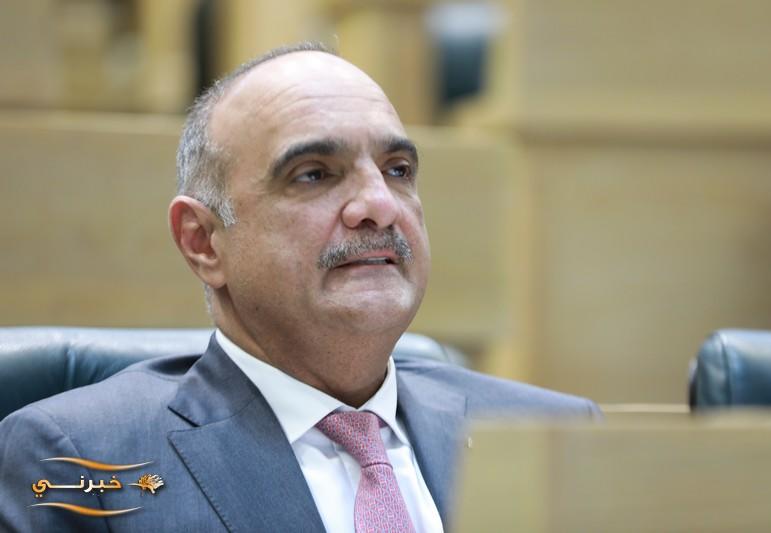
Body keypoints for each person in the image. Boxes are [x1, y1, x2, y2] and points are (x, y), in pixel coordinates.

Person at [0, 42, 599, 532]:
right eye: (313, 175)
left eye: (397, 170)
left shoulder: (559, 437)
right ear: (203, 241)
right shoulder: (78, 458)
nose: (380, 205)